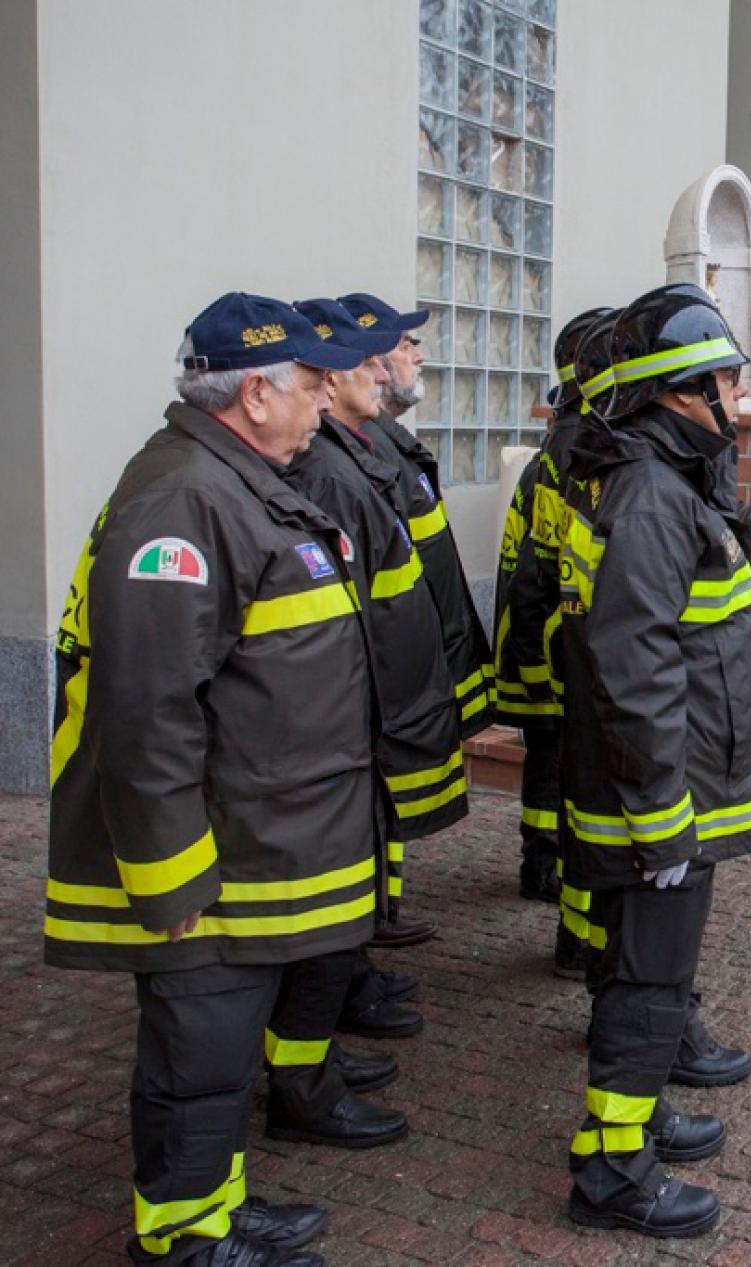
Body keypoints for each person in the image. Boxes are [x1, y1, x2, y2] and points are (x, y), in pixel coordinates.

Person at [46, 293, 375, 1267]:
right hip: (209, 861)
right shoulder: (185, 498)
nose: (323, 401)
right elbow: (145, 709)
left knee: (223, 1051)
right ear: (258, 393)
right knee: (197, 1052)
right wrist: (170, 875)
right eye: (310, 385)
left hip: (251, 842)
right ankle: (185, 1237)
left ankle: (218, 1204)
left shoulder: (236, 479)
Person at [555, 284, 751, 1238]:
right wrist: (660, 811)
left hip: (663, 779)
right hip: (661, 791)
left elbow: (720, 546)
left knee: (637, 966)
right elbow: (634, 664)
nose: (740, 396)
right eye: (726, 381)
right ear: (678, 392)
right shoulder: (650, 490)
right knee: (651, 977)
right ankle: (612, 1169)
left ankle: (638, 1116)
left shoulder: (655, 473)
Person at [338, 292, 492, 953]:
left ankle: (383, 906)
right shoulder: (352, 455)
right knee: (374, 789)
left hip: (417, 654)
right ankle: (368, 919)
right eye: (406, 346)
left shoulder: (388, 443)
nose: (417, 355)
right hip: (380, 672)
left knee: (390, 791)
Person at [495, 307, 614, 936]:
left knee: (549, 768)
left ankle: (539, 864)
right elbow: (537, 576)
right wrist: (539, 668)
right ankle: (541, 865)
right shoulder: (564, 472)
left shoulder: (550, 462)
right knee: (554, 770)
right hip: (546, 649)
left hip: (538, 646)